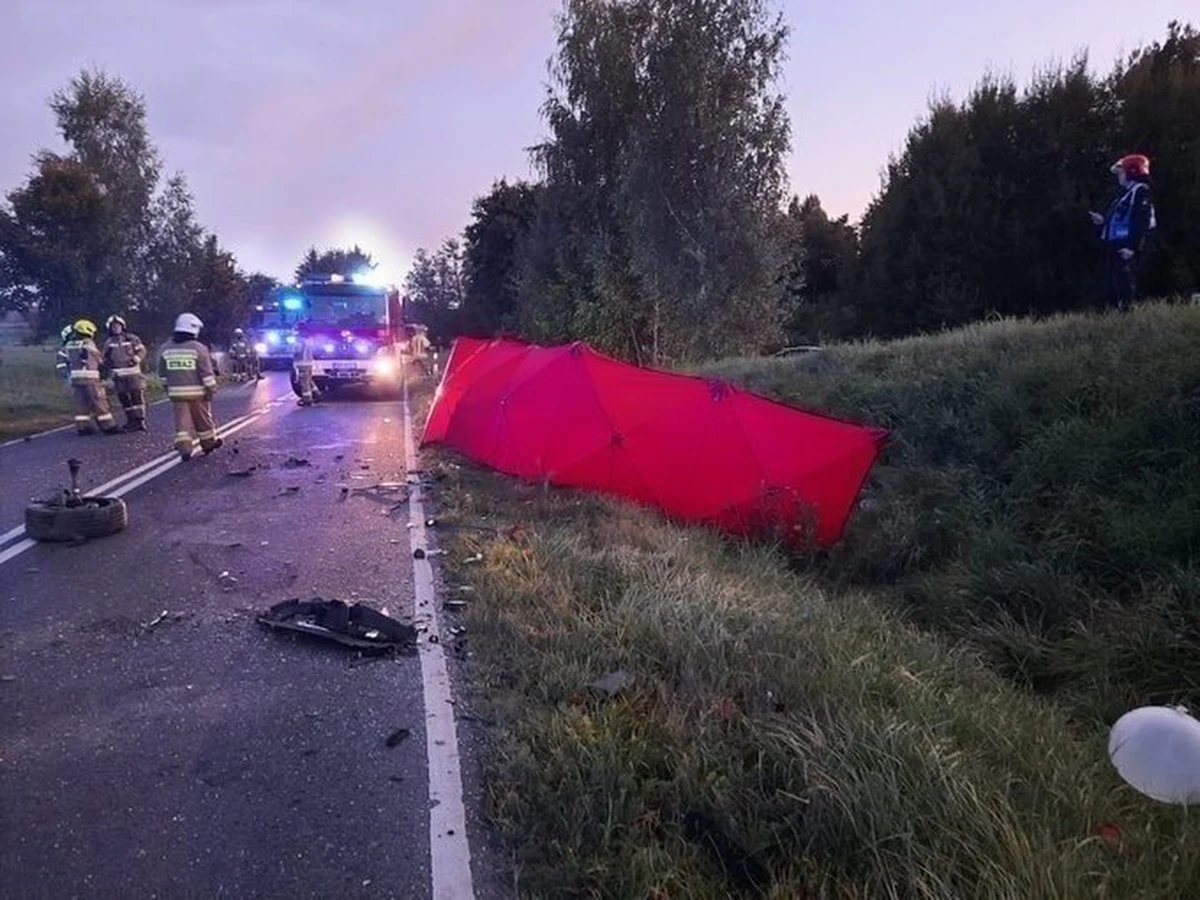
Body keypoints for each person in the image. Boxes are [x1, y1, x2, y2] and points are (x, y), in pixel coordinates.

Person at [1090, 153, 1157, 312]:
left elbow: (1142, 220)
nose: (1119, 176)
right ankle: (1114, 315)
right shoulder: (1126, 193)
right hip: (1117, 243)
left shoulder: (1141, 190)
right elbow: (1121, 217)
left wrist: (1133, 247)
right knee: (1113, 283)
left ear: (1132, 171)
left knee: (1125, 281)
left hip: (1127, 245)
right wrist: (1103, 220)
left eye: (1121, 172)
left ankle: (1127, 315)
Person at [157, 312, 222, 460]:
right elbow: (206, 372)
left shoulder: (165, 347)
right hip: (198, 393)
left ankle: (185, 449)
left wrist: (166, 387)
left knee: (182, 424)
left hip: (176, 393)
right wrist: (211, 389)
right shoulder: (198, 348)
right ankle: (208, 443)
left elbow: (161, 372)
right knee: (203, 419)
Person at [64, 318, 120, 435]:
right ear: (88, 330)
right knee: (99, 401)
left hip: (76, 379)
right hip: (90, 379)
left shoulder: (70, 344)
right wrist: (106, 369)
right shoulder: (88, 343)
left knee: (81, 404)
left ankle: (82, 427)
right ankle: (109, 426)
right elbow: (98, 359)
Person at [102, 314, 149, 431]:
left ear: (123, 326)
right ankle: (131, 420)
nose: (116, 328)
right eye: (113, 326)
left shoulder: (131, 338)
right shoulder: (109, 342)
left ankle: (140, 420)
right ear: (109, 328)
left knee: (136, 397)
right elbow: (105, 357)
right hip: (118, 376)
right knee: (124, 399)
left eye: (118, 325)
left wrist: (137, 359)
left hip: (133, 374)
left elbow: (142, 350)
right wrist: (106, 367)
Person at [293, 321, 317, 407]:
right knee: (308, 379)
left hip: (301, 363)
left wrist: (292, 352)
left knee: (304, 382)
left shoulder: (299, 339)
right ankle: (316, 393)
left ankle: (307, 399)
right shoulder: (310, 339)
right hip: (309, 362)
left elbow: (297, 350)